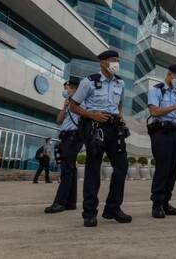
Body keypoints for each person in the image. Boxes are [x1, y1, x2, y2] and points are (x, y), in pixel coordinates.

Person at [69, 50, 132, 227]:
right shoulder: (88, 82)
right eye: (113, 60)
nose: (116, 64)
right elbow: (73, 106)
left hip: (114, 127)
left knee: (122, 166)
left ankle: (113, 208)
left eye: (118, 61)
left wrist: (120, 118)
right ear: (103, 63)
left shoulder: (120, 82)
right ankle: (89, 213)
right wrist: (92, 115)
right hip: (95, 127)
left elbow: (119, 104)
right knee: (93, 169)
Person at [147, 64, 176, 219]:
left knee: (173, 168)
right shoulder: (156, 90)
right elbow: (154, 111)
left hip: (174, 132)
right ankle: (156, 204)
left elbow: (174, 115)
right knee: (163, 168)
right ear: (170, 74)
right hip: (161, 132)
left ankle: (166, 202)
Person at [45, 79, 84, 214]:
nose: (65, 90)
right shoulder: (69, 103)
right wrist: (64, 107)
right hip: (66, 136)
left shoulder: (81, 101)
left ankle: (60, 202)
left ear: (74, 88)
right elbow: (59, 120)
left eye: (67, 88)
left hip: (74, 137)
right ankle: (71, 202)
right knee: (70, 169)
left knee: (66, 168)